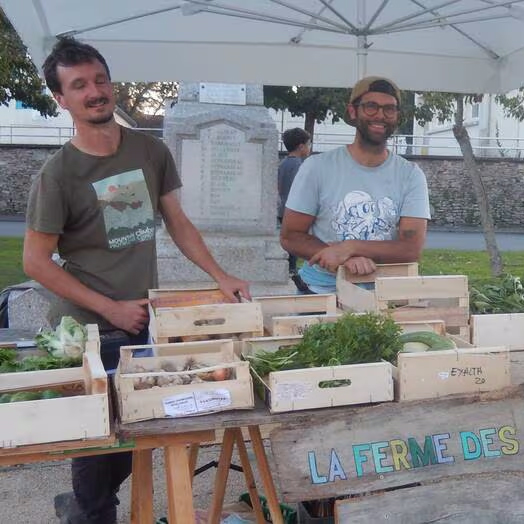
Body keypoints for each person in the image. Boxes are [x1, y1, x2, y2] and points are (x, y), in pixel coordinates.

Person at [23, 37, 250, 524]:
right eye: (79, 85)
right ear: (61, 100)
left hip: (140, 319)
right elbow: (36, 263)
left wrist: (220, 274)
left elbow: (178, 223)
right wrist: (109, 309)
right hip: (85, 328)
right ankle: (93, 512)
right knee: (98, 438)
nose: (95, 91)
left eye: (99, 79)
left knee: (138, 429)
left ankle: (82, 506)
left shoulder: (149, 151)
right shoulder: (58, 175)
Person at [280, 76, 430, 294]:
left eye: (389, 109)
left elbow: (411, 248)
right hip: (320, 292)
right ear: (352, 112)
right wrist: (339, 257)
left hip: (385, 294)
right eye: (371, 107)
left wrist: (350, 248)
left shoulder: (411, 175)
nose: (380, 115)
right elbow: (290, 236)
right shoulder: (317, 168)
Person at [277, 127, 311, 274]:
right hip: (293, 209)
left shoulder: (283, 163)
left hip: (282, 207)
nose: (309, 148)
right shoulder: (298, 165)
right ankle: (292, 269)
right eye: (308, 144)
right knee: (296, 241)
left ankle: (291, 267)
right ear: (301, 146)